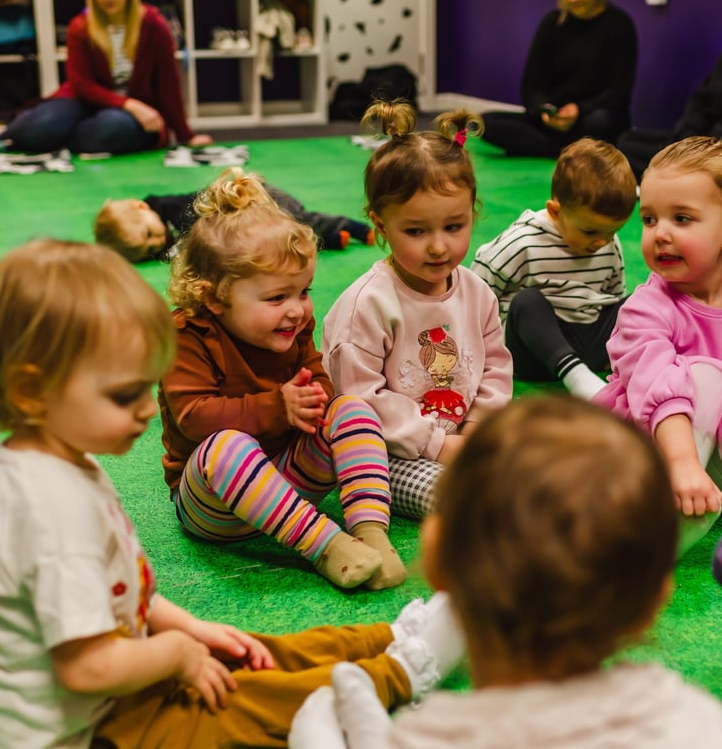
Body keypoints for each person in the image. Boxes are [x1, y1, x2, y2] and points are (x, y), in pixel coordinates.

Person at [0, 238, 462, 748]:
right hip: (86, 729)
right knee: (238, 703)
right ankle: (402, 672)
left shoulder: (54, 466)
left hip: (110, 686)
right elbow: (88, 669)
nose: (146, 410)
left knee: (246, 651)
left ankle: (386, 639)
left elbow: (124, 596)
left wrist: (191, 630)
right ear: (30, 391)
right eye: (122, 394)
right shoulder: (48, 507)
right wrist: (177, 653)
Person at [289, 395, 722, 749]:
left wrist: (316, 731)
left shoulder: (423, 739)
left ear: (438, 561)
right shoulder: (702, 722)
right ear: (654, 600)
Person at [158, 167, 407, 590]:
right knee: (226, 446)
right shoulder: (185, 335)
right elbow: (195, 419)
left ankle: (370, 533)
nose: (297, 310)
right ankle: (326, 546)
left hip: (288, 484)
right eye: (277, 298)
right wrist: (280, 406)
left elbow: (320, 384)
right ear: (213, 298)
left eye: (304, 291)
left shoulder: (290, 327)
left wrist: (316, 400)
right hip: (216, 504)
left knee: (352, 409)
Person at [321, 100, 513, 520]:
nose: (439, 246)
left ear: (473, 214)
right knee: (468, 501)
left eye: (454, 226)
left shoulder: (477, 292)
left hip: (464, 435)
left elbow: (496, 367)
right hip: (390, 452)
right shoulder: (368, 304)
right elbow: (361, 399)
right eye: (415, 231)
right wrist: (440, 446)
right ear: (380, 225)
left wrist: (478, 431)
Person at [594, 136, 722, 555]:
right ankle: (648, 546)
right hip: (642, 453)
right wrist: (682, 463)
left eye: (681, 219)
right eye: (649, 220)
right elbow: (656, 386)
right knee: (704, 375)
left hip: (709, 451)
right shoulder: (645, 309)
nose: (660, 234)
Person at [471, 138, 636, 399]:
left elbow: (614, 298)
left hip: (587, 342)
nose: (602, 241)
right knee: (527, 303)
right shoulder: (522, 242)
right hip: (534, 353)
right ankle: (576, 375)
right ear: (556, 212)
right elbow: (475, 292)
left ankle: (619, 363)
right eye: (590, 231)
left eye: (613, 231)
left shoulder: (608, 243)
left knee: (641, 300)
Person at [0, 0, 211, 154]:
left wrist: (186, 135)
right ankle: (0, 140)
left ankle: (53, 142)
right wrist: (130, 104)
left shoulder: (153, 24)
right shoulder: (80, 26)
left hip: (123, 116)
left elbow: (168, 84)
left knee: (116, 126)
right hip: (82, 102)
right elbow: (81, 84)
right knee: (42, 124)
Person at [480, 0, 637, 158]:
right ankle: (571, 150)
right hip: (554, 120)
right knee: (484, 122)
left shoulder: (619, 24)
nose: (573, 0)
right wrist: (544, 109)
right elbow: (532, 85)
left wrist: (579, 110)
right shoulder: (552, 22)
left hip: (591, 118)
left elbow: (619, 92)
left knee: (602, 122)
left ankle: (545, 147)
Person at [94, 182, 375, 263]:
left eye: (148, 234)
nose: (156, 242)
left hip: (261, 199)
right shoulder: (163, 231)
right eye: (147, 250)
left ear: (142, 207)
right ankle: (336, 240)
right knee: (282, 242)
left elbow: (195, 234)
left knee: (300, 221)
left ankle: (355, 228)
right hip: (248, 222)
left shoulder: (171, 209)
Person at [618, 51, 722, 180]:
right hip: (689, 136)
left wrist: (699, 144)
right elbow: (701, 97)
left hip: (710, 150)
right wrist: (687, 132)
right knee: (626, 141)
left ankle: (678, 177)